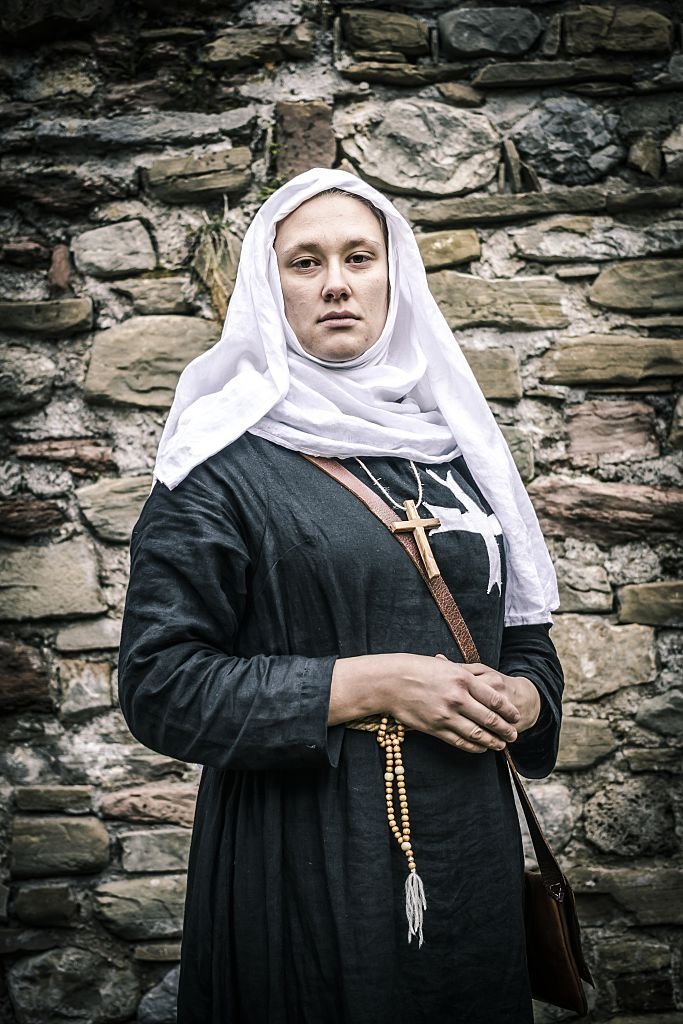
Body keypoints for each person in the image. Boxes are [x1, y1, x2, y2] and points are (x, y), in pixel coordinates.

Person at [118, 167, 563, 1024]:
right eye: (303, 262)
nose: (334, 283)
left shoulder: (457, 451)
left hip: (469, 852)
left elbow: (526, 641)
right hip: (299, 857)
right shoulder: (216, 469)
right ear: (264, 285)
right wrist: (372, 684)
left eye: (359, 257)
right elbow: (159, 687)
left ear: (394, 277)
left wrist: (524, 697)